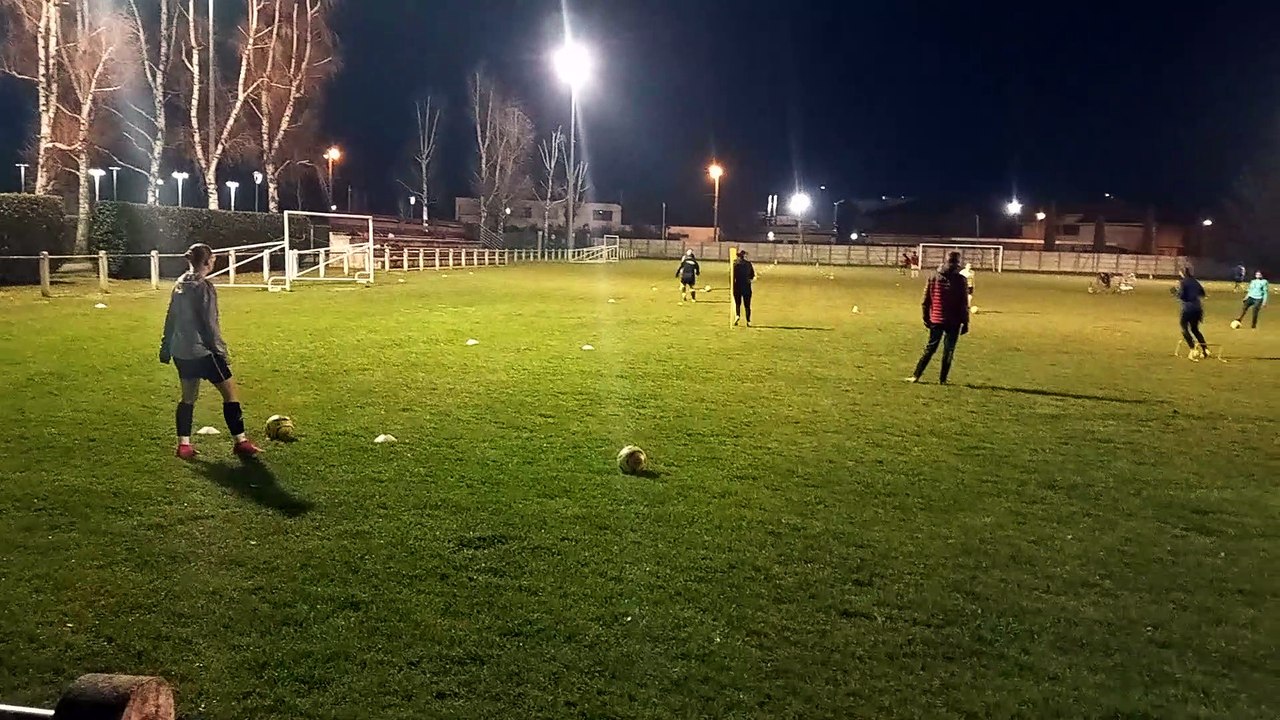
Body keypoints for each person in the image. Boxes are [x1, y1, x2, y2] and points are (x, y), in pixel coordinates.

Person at [160, 243, 261, 459]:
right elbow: (209, 324)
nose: (214, 261)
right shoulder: (204, 287)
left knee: (188, 397)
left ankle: (184, 445)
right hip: (203, 352)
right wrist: (220, 351)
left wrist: (165, 346)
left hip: (181, 351)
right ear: (207, 262)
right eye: (213, 258)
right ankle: (240, 442)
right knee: (230, 394)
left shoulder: (179, 284)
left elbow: (171, 317)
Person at [908, 252, 970, 384]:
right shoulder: (961, 280)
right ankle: (943, 380)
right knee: (949, 350)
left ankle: (916, 375)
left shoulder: (933, 277)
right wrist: (965, 322)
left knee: (930, 348)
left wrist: (926, 317)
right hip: (954, 320)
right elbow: (964, 303)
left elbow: (926, 300)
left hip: (936, 318)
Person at [1176, 265, 1210, 360]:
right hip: (1198, 308)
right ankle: (1205, 349)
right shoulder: (1195, 281)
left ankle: (1192, 348)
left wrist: (1177, 294)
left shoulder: (1183, 282)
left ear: (1182, 273)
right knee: (1195, 329)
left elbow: (1182, 296)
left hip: (1188, 308)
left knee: (1184, 327)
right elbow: (1202, 293)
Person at [732, 249, 756, 326]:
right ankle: (748, 321)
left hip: (737, 286)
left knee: (737, 303)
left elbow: (732, 276)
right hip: (746, 287)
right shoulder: (748, 264)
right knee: (747, 305)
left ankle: (737, 315)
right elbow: (752, 275)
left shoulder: (735, 264)